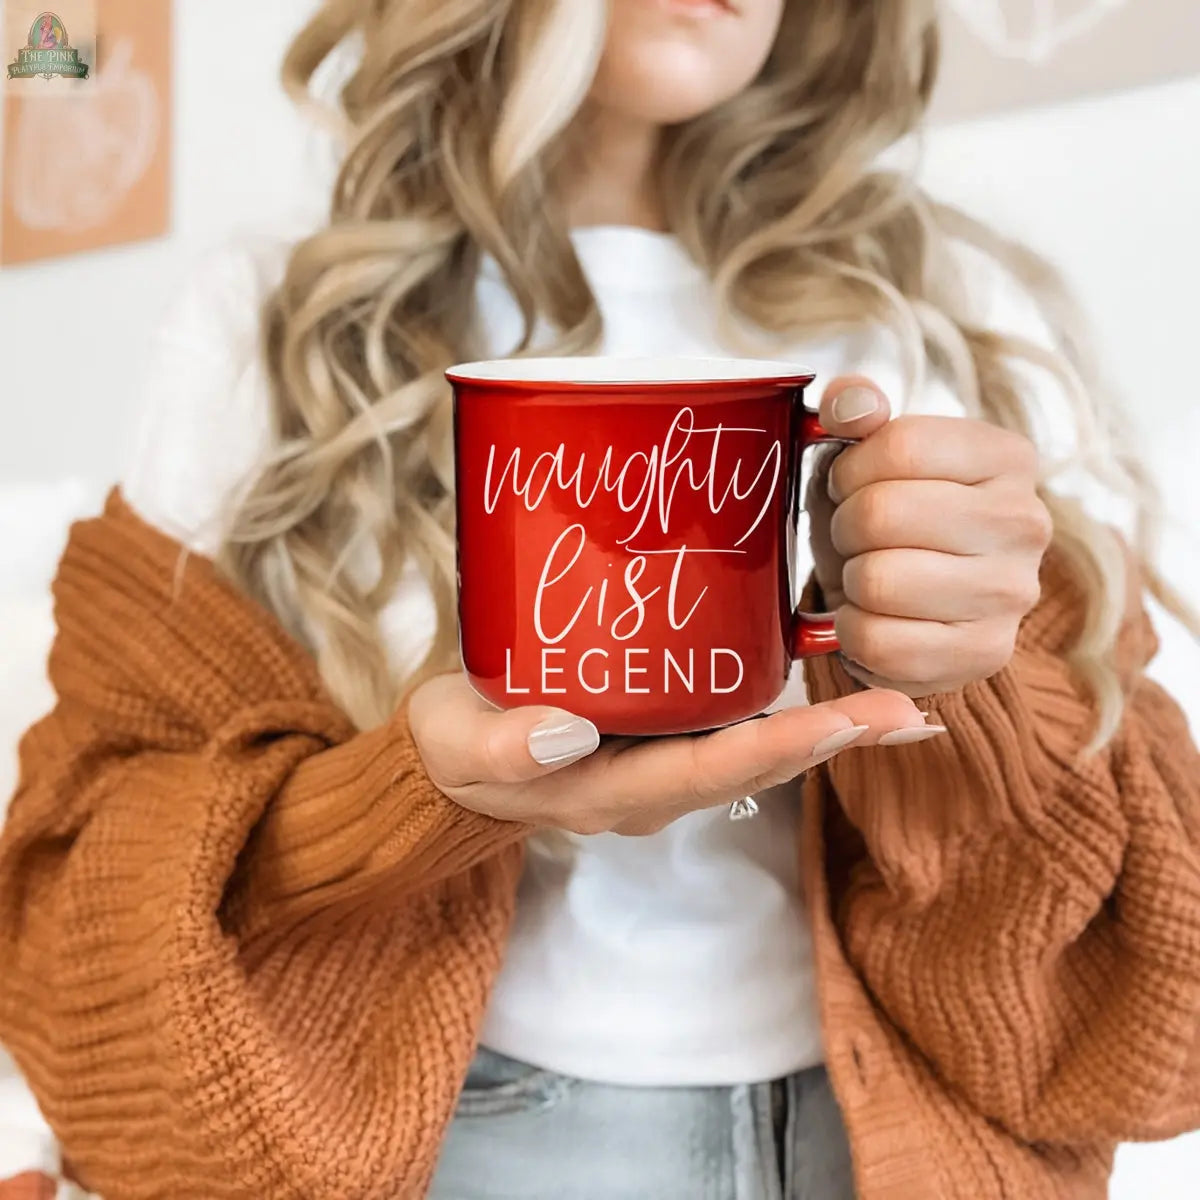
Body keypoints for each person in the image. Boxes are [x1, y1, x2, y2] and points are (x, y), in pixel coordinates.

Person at [1, 1, 1198, 1197]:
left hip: (899, 1153)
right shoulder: (278, 326)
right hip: (458, 1143)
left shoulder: (954, 313)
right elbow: (70, 927)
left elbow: (1152, 1002)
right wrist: (410, 797)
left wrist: (969, 690)